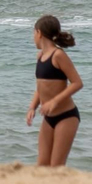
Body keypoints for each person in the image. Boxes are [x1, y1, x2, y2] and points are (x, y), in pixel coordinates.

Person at [26, 14, 82, 167]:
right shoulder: (40, 56)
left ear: (39, 33)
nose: (33, 37)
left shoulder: (58, 55)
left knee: (56, 166)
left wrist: (54, 101)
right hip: (49, 118)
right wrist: (32, 107)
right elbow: (42, 87)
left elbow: (77, 83)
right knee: (42, 165)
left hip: (66, 116)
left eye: (33, 33)